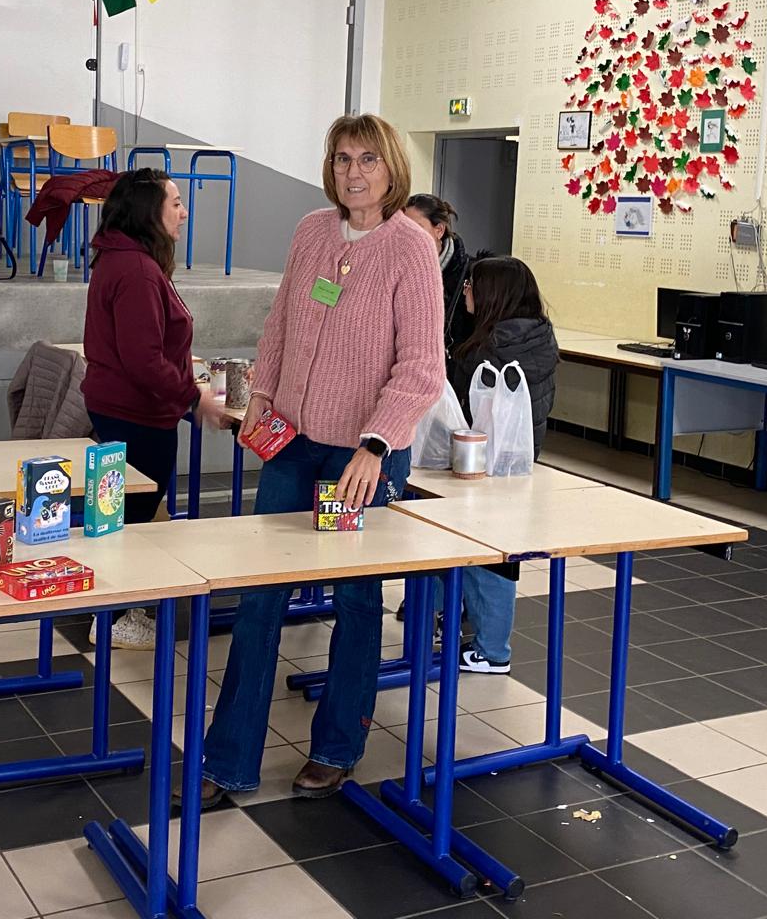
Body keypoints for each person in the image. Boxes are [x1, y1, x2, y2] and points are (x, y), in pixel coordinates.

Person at [196, 114, 445, 805]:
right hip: (293, 444)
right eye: (341, 159)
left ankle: (337, 747)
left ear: (392, 168)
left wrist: (377, 444)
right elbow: (280, 325)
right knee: (260, 596)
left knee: (356, 600)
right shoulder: (311, 231)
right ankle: (228, 760)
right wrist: (261, 398)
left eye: (367, 159)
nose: (353, 173)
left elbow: (422, 366)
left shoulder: (410, 247)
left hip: (359, 456)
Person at [83, 167, 226, 650]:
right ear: (149, 211)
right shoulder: (138, 270)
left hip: (126, 407)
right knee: (133, 520)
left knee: (126, 514)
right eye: (176, 203)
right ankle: (114, 617)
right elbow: (143, 360)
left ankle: (118, 609)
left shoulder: (124, 259)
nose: (184, 213)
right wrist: (194, 397)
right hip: (136, 414)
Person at [447, 256, 558, 674]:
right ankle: (483, 638)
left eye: (472, 285)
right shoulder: (539, 338)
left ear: (492, 295)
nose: (466, 292)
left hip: (483, 463)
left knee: (488, 559)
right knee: (497, 553)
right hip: (519, 463)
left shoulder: (489, 350)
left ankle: (492, 650)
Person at [403, 193, 472, 356]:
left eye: (416, 230)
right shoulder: (396, 272)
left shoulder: (469, 275)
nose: (408, 238)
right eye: (404, 230)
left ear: (439, 230)